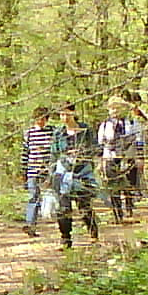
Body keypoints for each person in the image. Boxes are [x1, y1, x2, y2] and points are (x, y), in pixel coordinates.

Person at [50, 102, 100, 247]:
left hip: (83, 171)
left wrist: (83, 155)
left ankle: (93, 232)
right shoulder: (58, 133)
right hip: (64, 172)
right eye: (61, 114)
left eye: (67, 113)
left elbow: (95, 148)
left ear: (73, 113)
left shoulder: (85, 130)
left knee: (84, 205)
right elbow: (54, 153)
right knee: (63, 207)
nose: (64, 117)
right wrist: (52, 173)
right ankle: (65, 238)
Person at [97, 95, 143, 223]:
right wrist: (100, 162)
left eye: (117, 108)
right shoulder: (104, 125)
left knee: (128, 185)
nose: (115, 111)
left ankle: (129, 209)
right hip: (110, 158)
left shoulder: (133, 123)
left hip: (128, 158)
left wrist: (139, 158)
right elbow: (100, 145)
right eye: (112, 109)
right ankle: (117, 213)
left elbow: (139, 141)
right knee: (113, 186)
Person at [20, 106, 54, 237]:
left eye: (43, 119)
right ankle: (30, 225)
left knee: (53, 196)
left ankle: (59, 224)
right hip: (32, 169)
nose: (40, 121)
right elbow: (25, 153)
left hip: (48, 170)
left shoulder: (52, 132)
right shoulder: (29, 133)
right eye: (38, 119)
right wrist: (23, 171)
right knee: (33, 197)